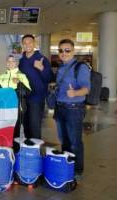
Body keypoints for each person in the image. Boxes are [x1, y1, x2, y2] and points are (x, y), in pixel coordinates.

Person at [54, 39, 90, 177]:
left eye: (67, 50)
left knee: (75, 142)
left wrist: (75, 93)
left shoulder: (80, 67)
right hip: (60, 108)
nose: (64, 53)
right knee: (64, 141)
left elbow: (86, 89)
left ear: (73, 51)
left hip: (74, 109)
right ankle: (67, 166)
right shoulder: (61, 67)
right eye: (61, 50)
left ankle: (77, 171)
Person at [19, 34, 53, 139]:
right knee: (26, 127)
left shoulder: (41, 59)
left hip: (37, 99)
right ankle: (29, 150)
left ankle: (36, 152)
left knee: (35, 128)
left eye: (30, 42)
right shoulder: (21, 61)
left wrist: (42, 68)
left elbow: (50, 78)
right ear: (22, 45)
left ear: (34, 44)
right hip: (24, 99)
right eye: (25, 43)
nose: (27, 45)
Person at [0, 55, 31, 138]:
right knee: (6, 128)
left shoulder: (22, 76)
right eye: (8, 61)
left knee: (16, 130)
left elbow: (28, 91)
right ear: (6, 63)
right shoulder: (2, 76)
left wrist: (19, 83)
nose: (10, 63)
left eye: (13, 61)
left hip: (17, 107)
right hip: (4, 107)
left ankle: (15, 149)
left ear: (17, 63)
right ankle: (7, 148)